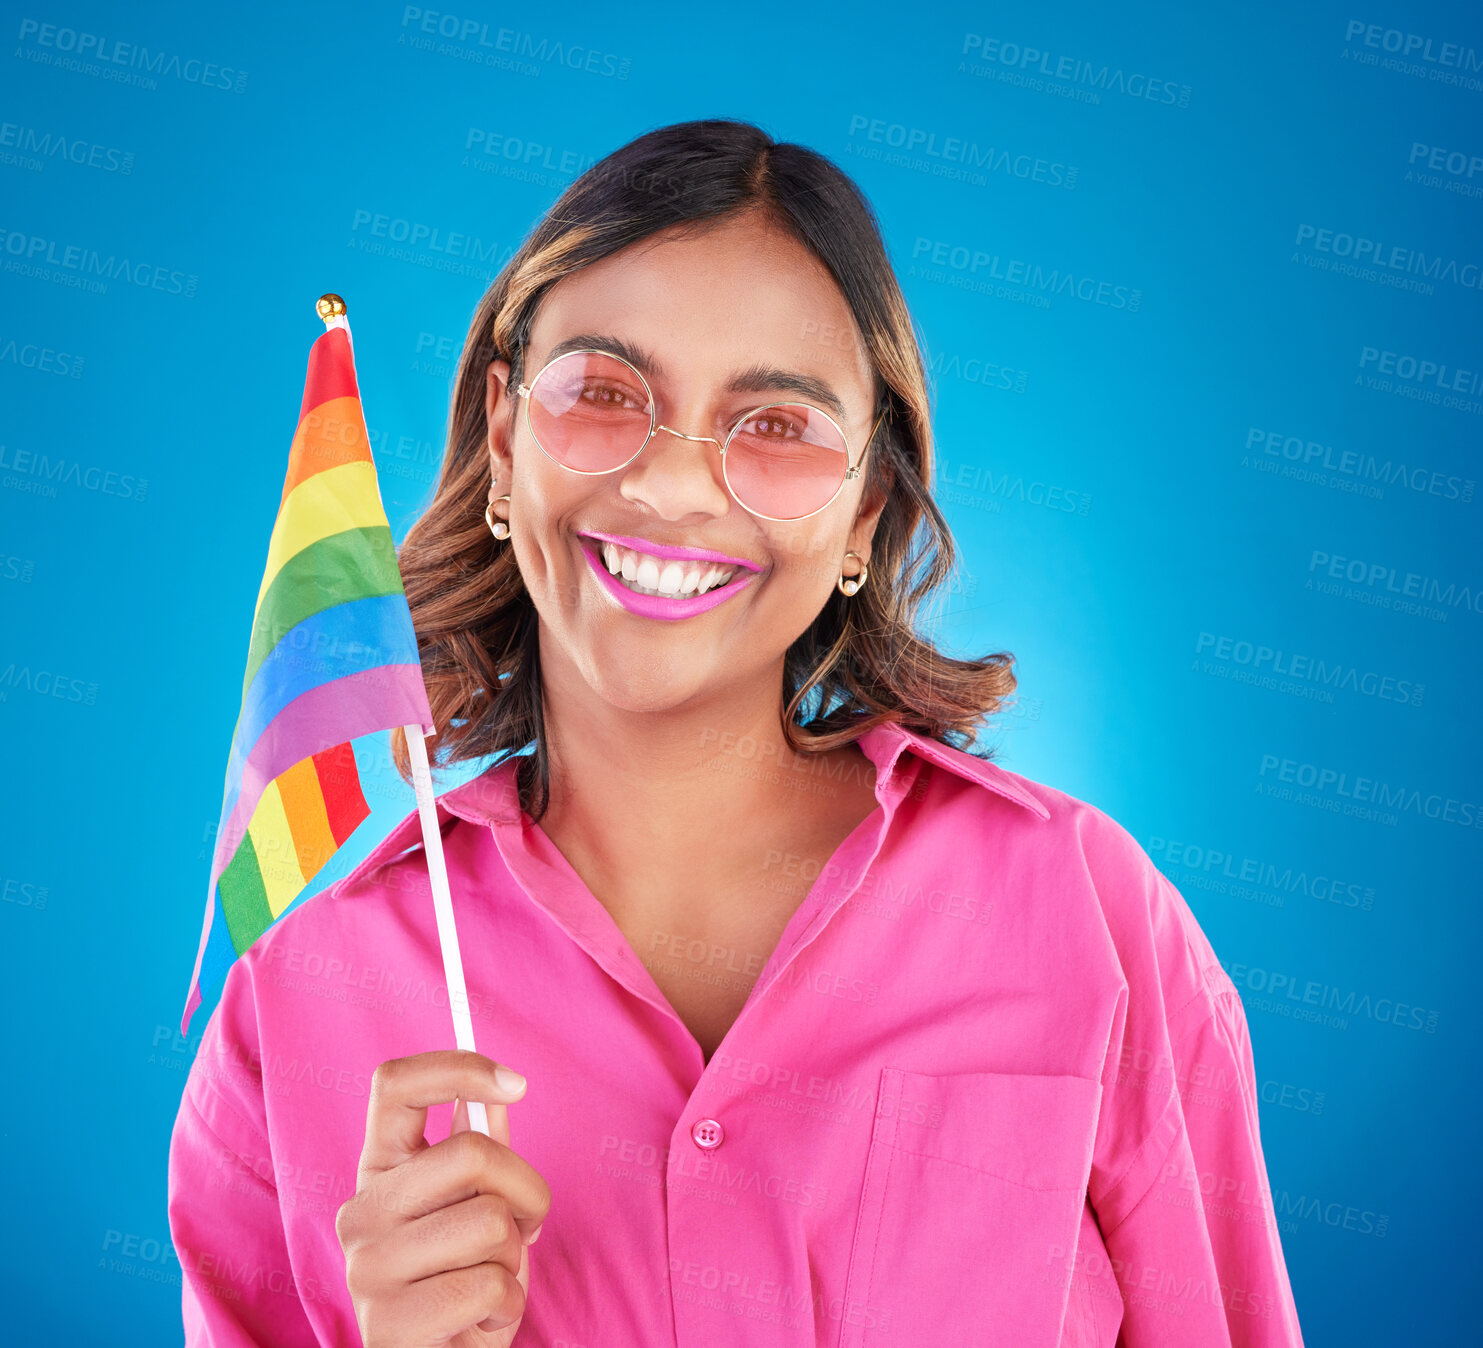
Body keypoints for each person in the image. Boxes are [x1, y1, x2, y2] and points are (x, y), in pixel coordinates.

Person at [167, 118, 1306, 1347]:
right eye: (604, 394)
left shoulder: (1096, 923)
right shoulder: (292, 1021)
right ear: (504, 443)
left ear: (867, 511)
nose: (671, 488)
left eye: (775, 424)